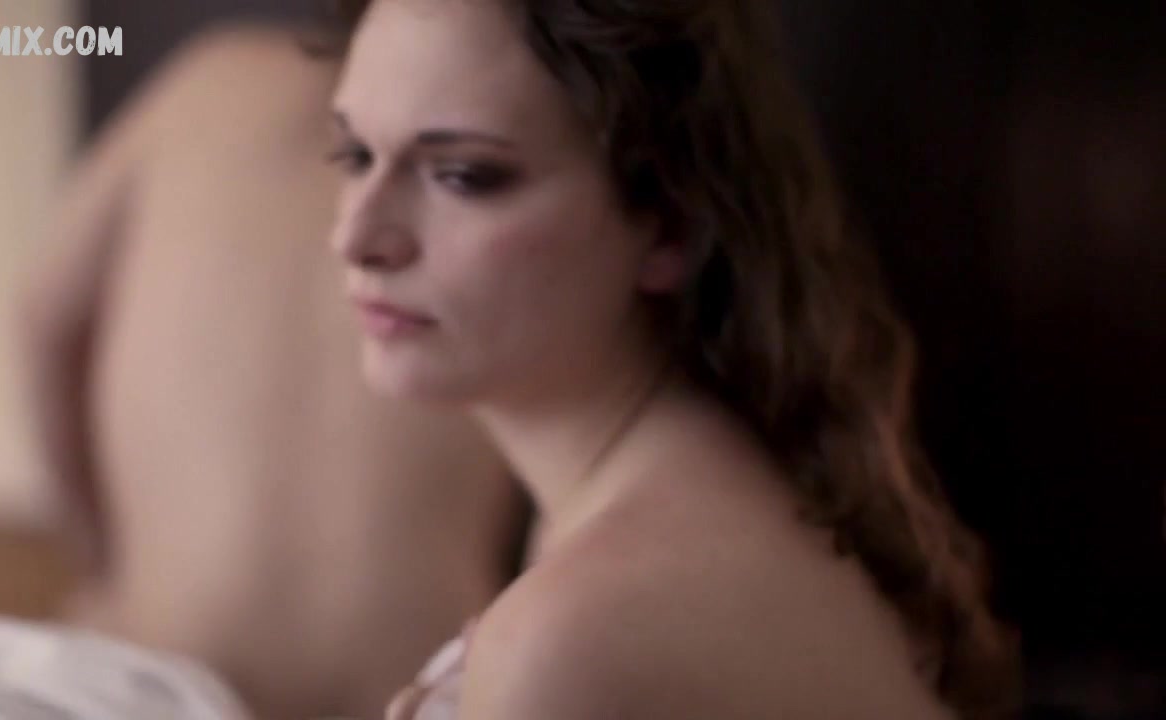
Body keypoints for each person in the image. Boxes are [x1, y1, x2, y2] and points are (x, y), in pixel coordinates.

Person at [323, 0, 1020, 718]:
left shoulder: (577, 632)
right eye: (356, 156)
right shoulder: (684, 492)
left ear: (670, 226)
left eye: (465, 175)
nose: (358, 238)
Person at [18, 22, 524, 720]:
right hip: (411, 684)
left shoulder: (210, 87)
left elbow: (43, 320)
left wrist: (101, 562)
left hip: (166, 672)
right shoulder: (511, 122)